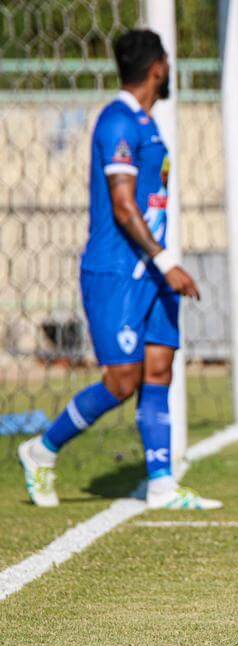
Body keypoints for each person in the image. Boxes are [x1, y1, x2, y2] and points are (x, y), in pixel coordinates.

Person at [17, 29, 221, 511]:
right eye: (168, 62)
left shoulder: (147, 124)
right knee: (123, 378)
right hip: (117, 271)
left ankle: (162, 486)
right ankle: (41, 450)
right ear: (158, 67)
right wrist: (168, 262)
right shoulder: (117, 123)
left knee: (159, 369)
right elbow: (124, 208)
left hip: (150, 272)